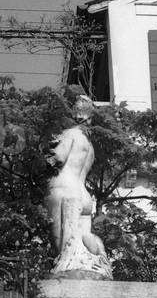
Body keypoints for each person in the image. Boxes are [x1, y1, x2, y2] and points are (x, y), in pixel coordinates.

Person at [46, 88, 112, 278]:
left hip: (63, 190)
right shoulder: (89, 145)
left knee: (64, 247)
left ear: (74, 114)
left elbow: (58, 159)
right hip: (83, 194)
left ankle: (65, 275)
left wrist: (50, 147)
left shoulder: (70, 134)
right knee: (83, 238)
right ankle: (101, 259)